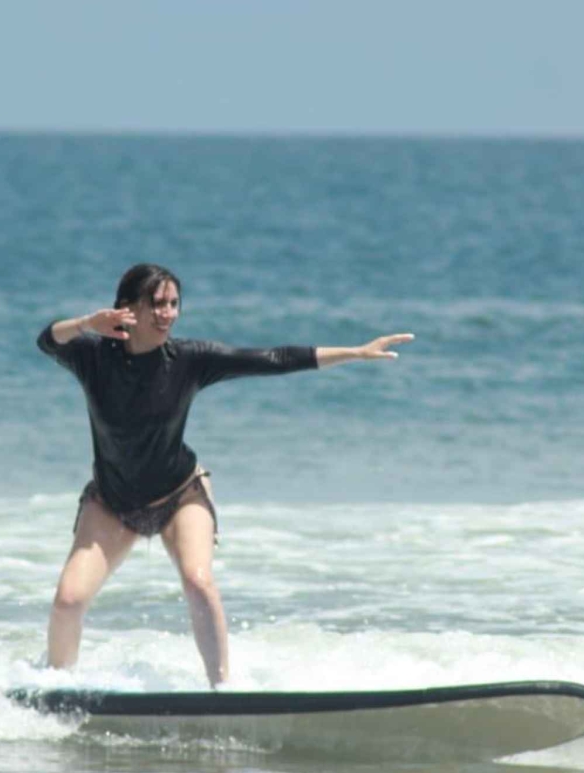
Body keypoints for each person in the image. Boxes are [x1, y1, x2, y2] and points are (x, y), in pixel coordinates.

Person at [37, 264, 413, 686]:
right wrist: (87, 323)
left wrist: (356, 353)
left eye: (173, 303)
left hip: (179, 495)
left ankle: (221, 689)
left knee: (198, 582)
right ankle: (55, 688)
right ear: (127, 309)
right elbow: (47, 339)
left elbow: (274, 359)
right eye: (156, 303)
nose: (167, 313)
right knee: (68, 600)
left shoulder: (188, 360)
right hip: (112, 501)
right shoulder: (93, 357)